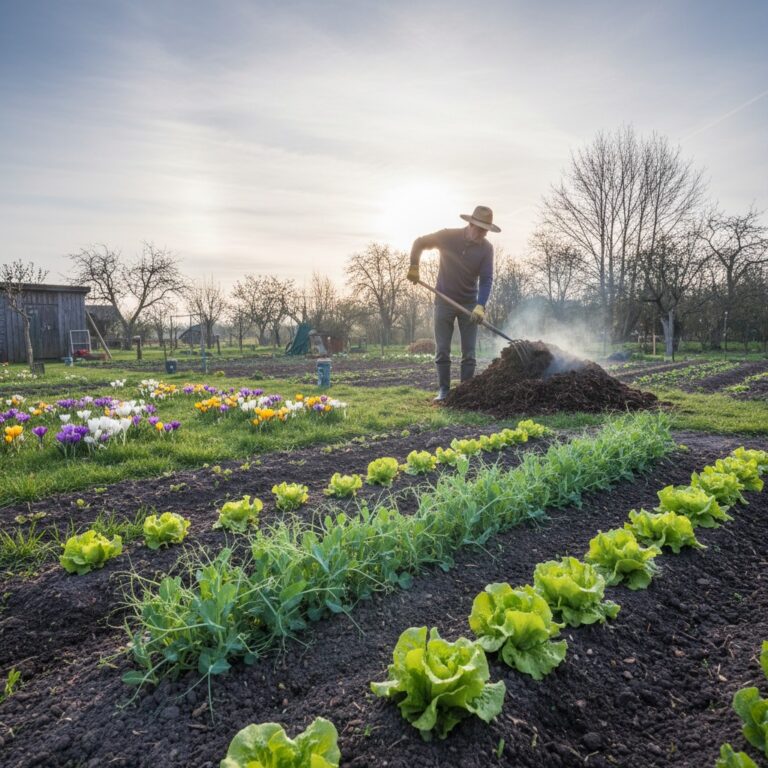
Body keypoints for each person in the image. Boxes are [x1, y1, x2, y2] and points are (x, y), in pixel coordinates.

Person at [407, 205, 499, 401]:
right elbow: (419, 243)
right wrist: (414, 265)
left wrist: (481, 305)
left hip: (469, 304)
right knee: (442, 349)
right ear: (471, 223)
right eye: (480, 229)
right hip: (444, 300)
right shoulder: (448, 236)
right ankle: (444, 391)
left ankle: (465, 393)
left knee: (469, 353)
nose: (482, 234)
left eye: (485, 230)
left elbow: (486, 279)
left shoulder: (486, 249)